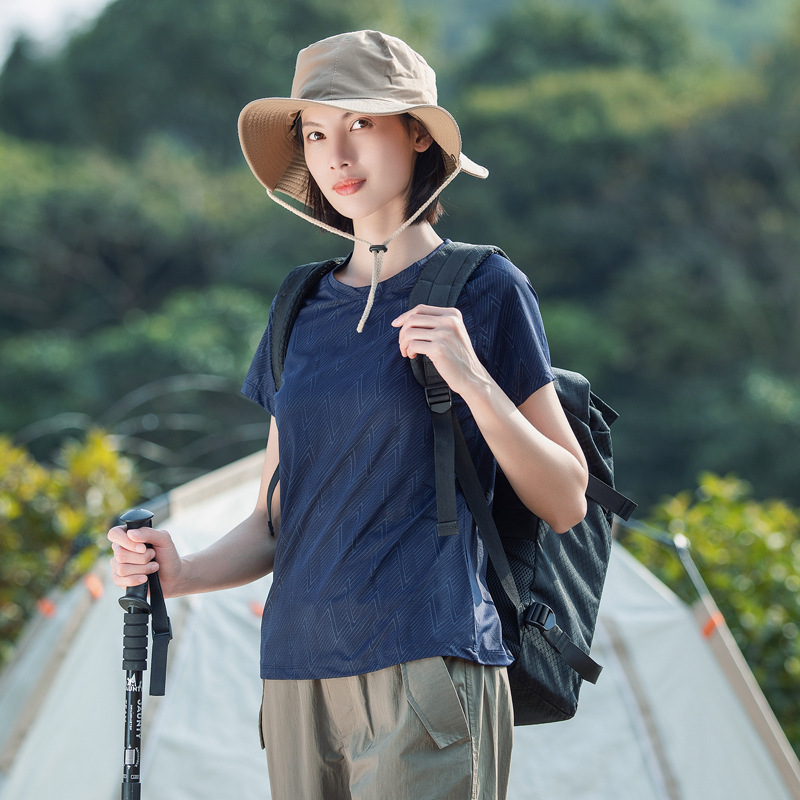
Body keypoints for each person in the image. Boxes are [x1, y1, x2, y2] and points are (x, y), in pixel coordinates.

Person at [108, 29, 588, 800]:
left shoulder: (484, 285)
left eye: (361, 124)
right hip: (296, 676)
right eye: (317, 133)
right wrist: (183, 569)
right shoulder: (299, 302)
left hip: (428, 663)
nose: (337, 155)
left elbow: (567, 498)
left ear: (418, 135)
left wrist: (473, 380)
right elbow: (277, 517)